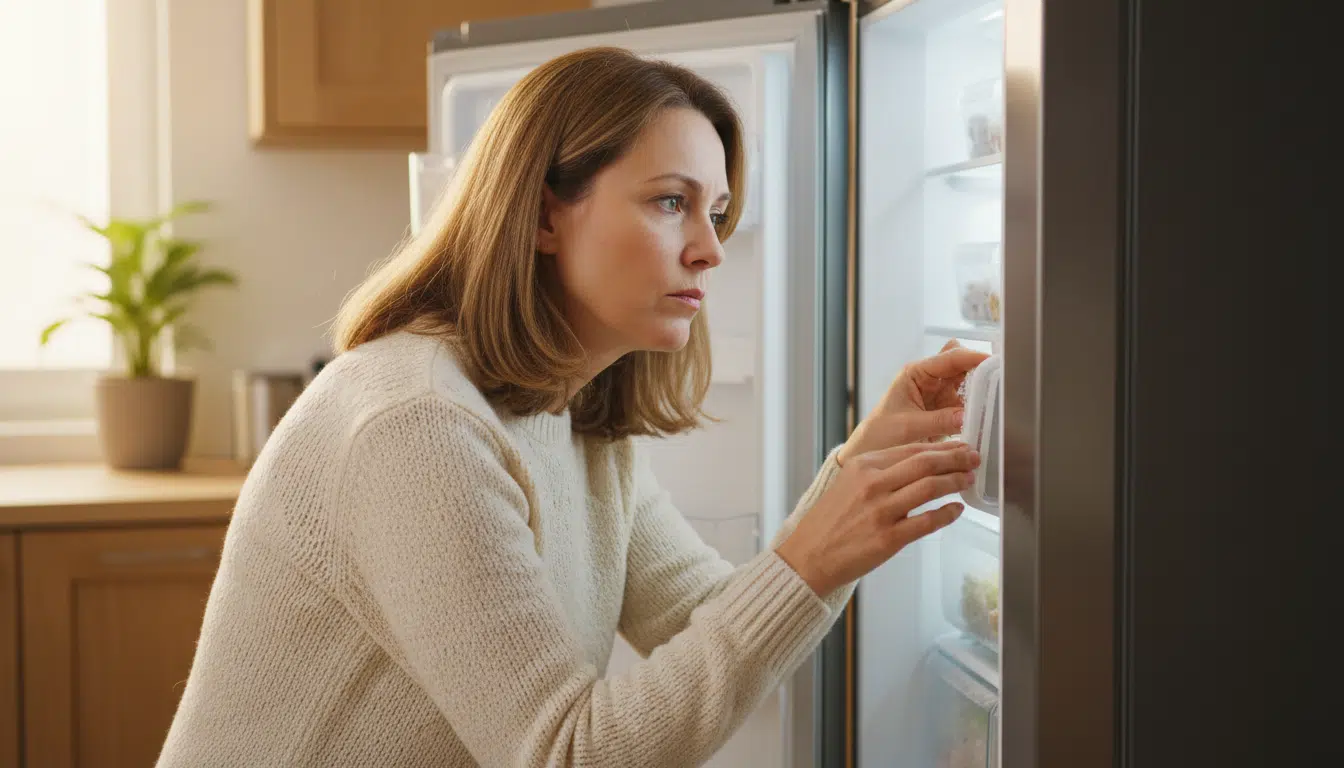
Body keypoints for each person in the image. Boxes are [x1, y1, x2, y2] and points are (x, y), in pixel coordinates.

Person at [157, 47, 986, 767]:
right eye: (672, 202)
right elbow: (565, 754)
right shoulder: (417, 423)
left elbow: (709, 623)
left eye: (719, 212)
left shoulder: (573, 416)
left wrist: (859, 468)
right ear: (547, 213)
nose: (712, 247)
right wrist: (811, 553)